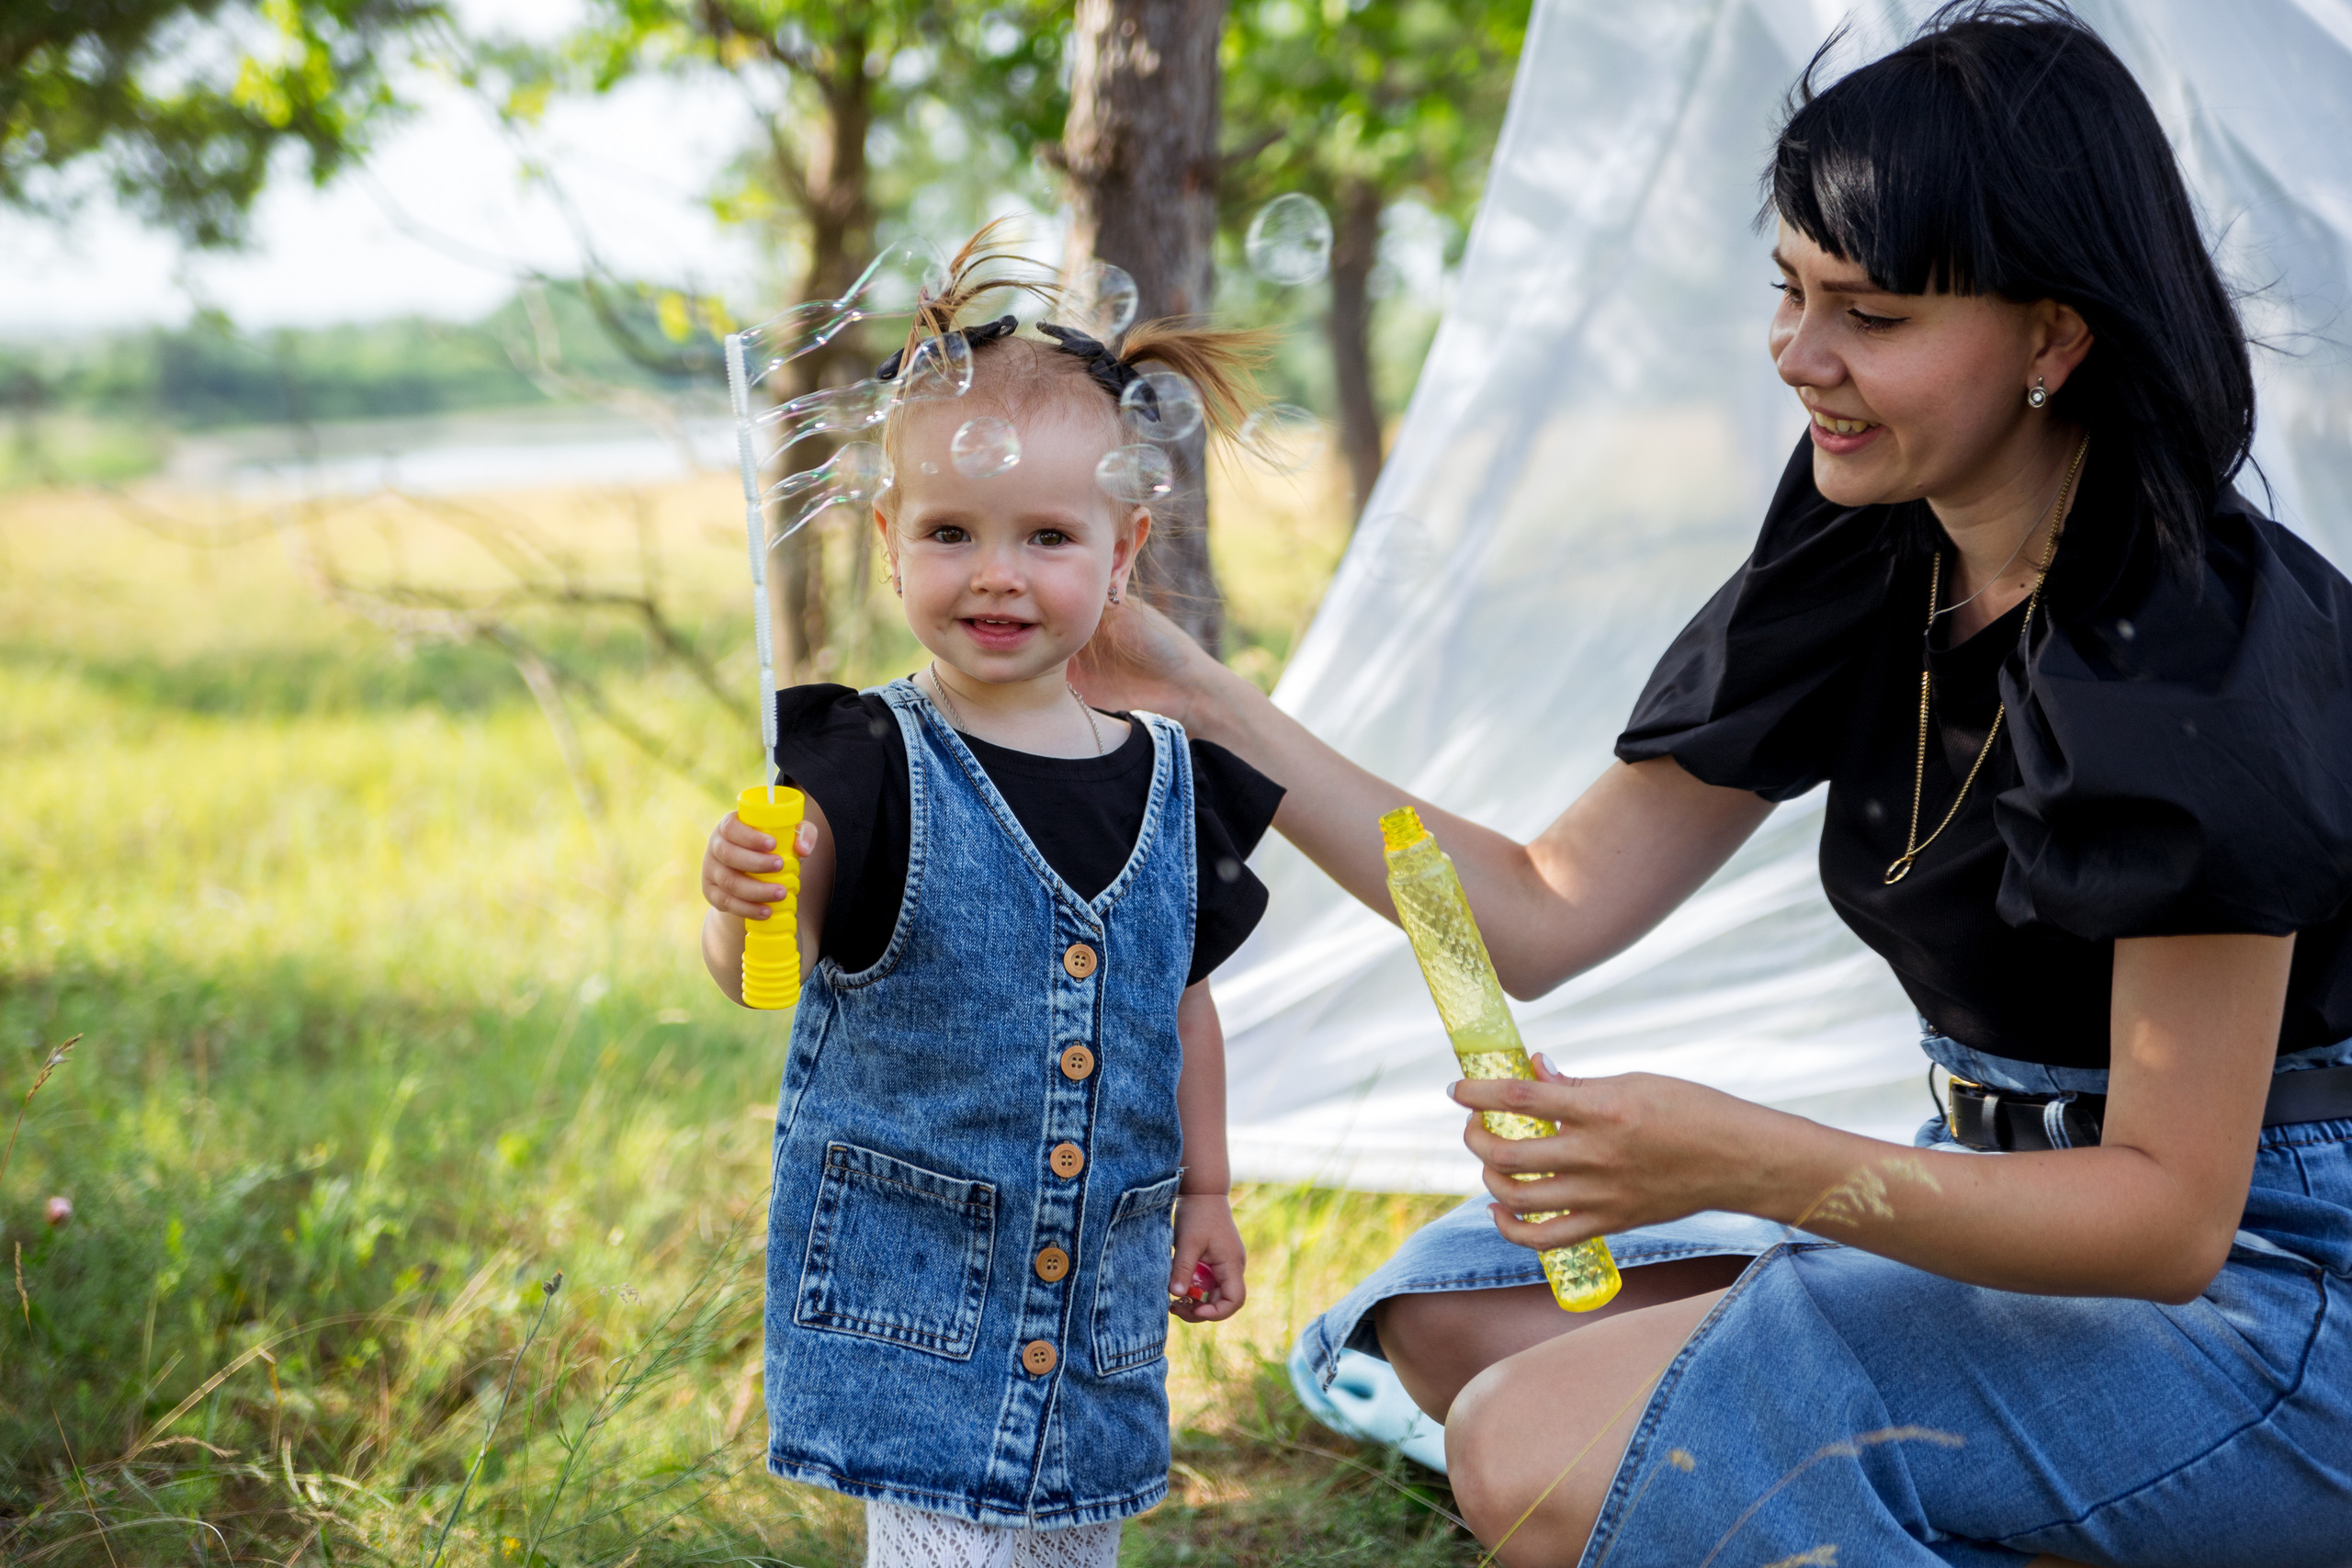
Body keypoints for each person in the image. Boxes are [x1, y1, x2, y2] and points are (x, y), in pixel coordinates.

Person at [1071, 5, 2352, 1563]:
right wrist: (1197, 698)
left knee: (1538, 1443)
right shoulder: (1876, 534)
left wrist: (1753, 1163)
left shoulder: (2196, 658)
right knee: (1453, 1320)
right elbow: (1538, 913)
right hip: (1988, 1193)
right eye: (1791, 290)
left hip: (2270, 1295)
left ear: (2054, 335)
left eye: (1870, 315)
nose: (1799, 357)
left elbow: (2165, 1220)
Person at [695, 237, 1285, 1566]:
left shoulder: (1174, 781)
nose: (996, 574)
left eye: (1046, 538)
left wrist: (1208, 1192)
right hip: (916, 1308)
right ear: (888, 541)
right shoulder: (860, 760)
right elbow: (768, 978)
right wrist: (747, 901)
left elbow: (1177, 1005)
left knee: (1076, 1543)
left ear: (1123, 551)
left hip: (1101, 1312)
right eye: (950, 533)